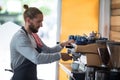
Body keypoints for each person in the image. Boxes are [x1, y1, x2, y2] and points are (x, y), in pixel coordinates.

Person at [10, 4, 74, 80]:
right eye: (38, 21)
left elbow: (47, 51)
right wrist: (60, 56)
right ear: (28, 20)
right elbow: (37, 58)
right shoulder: (20, 37)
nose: (41, 25)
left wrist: (63, 44)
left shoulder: (34, 35)